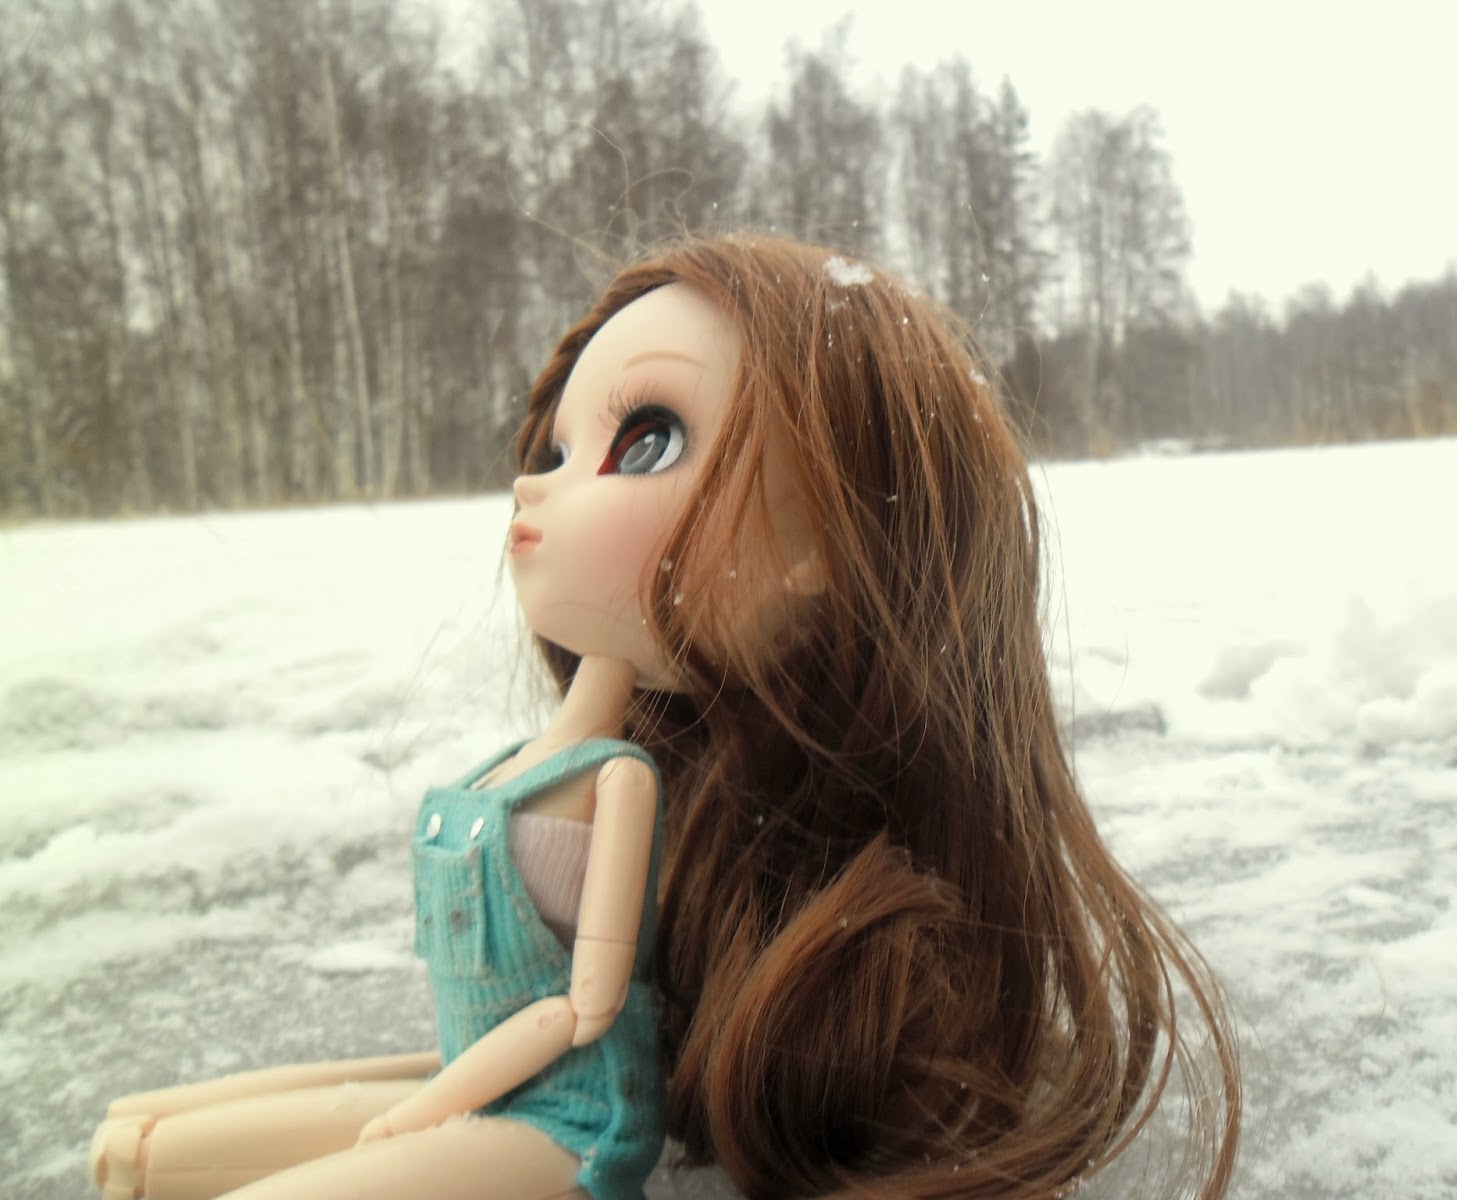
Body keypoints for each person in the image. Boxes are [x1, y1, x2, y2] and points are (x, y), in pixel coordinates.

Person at [89, 234, 1240, 1200]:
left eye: (644, 441)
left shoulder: (620, 785)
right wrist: (428, 1097)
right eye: (555, 449)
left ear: (828, 542)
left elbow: (583, 1011)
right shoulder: (584, 758)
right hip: (475, 1086)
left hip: (561, 1130)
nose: (537, 484)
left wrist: (423, 1113)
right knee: (138, 1150)